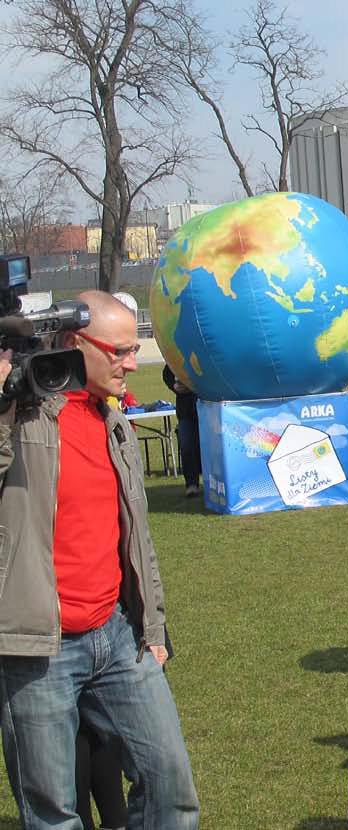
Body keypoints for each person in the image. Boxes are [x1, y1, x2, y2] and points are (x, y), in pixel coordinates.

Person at [0, 290, 199, 828]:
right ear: (72, 343)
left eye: (134, 348)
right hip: (37, 648)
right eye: (120, 351)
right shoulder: (22, 416)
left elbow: (137, 538)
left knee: (170, 785)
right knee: (53, 814)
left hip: (117, 635)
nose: (132, 363)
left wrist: (153, 626)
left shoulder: (114, 423)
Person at [163, 364, 201, 496]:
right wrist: (174, 385)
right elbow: (167, 372)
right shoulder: (179, 355)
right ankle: (191, 484)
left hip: (208, 408)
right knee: (187, 446)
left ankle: (212, 483)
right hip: (186, 411)